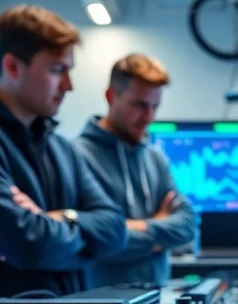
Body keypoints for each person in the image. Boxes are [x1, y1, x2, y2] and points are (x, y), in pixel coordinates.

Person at [0, 5, 126, 304]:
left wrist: (59, 219)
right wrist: (81, 238)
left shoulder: (61, 148)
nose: (69, 85)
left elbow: (115, 229)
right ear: (12, 66)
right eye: (57, 70)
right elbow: (29, 245)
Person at [74, 54, 196, 288]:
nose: (149, 117)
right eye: (139, 105)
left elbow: (187, 224)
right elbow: (95, 241)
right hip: (100, 303)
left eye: (155, 106)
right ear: (111, 97)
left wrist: (136, 228)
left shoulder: (155, 158)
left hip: (154, 302)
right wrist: (160, 232)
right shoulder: (77, 156)